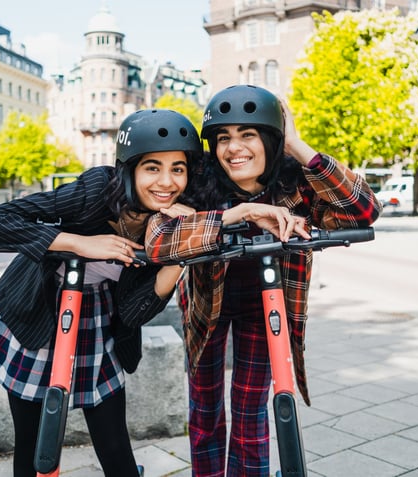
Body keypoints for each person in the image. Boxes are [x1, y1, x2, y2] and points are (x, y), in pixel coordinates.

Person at [143, 85, 382, 476]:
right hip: (206, 304)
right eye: (224, 138)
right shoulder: (201, 180)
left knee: (251, 409)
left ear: (270, 139)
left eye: (248, 134)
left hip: (265, 306)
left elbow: (363, 210)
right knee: (204, 409)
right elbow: (159, 237)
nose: (233, 148)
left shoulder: (296, 183)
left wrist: (296, 143)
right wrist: (241, 213)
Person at [0, 108, 202, 477]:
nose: (167, 181)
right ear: (130, 169)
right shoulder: (97, 190)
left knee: (115, 447)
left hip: (100, 319)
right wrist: (80, 243)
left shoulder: (172, 221)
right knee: (34, 444)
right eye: (152, 167)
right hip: (40, 312)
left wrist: (181, 252)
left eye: (178, 168)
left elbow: (134, 313)